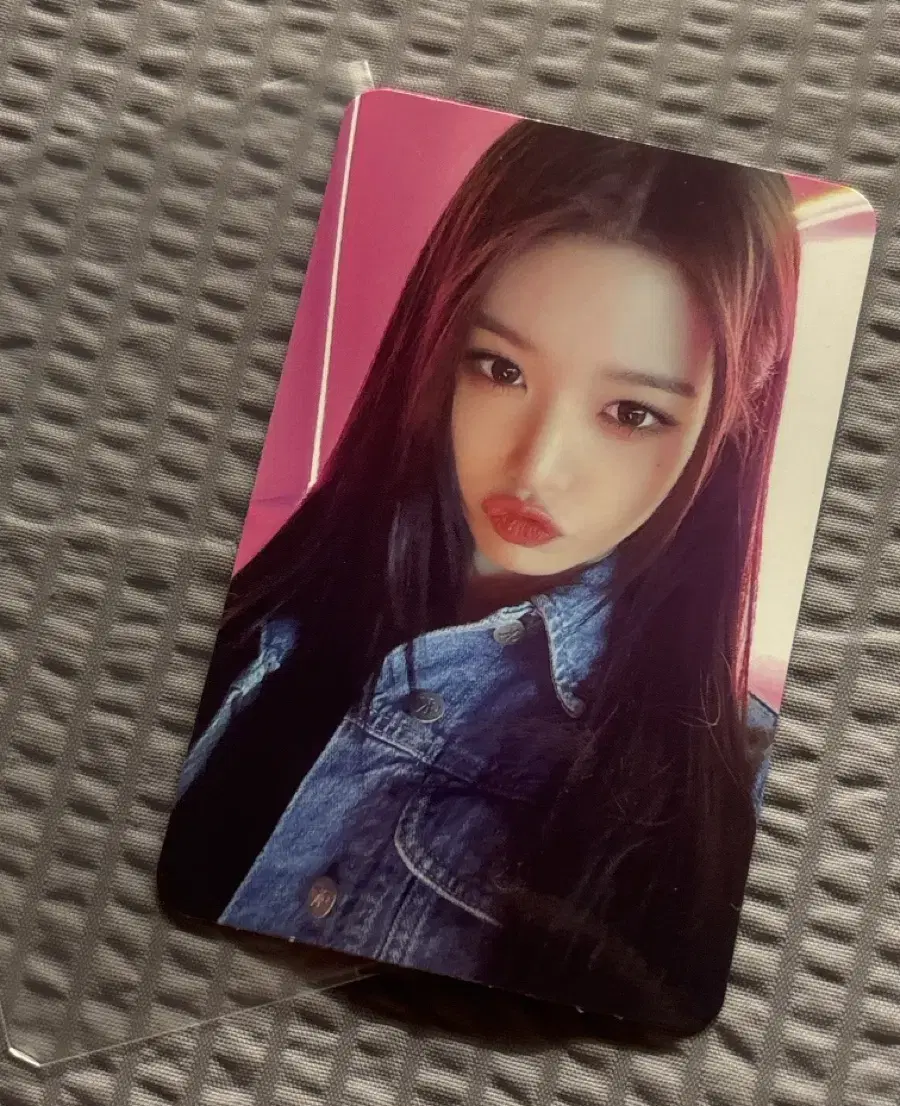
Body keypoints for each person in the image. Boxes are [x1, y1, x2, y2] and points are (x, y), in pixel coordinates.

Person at [157, 117, 800, 1033]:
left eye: (631, 412)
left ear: (726, 426)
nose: (537, 468)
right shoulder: (258, 599)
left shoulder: (733, 790)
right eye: (499, 368)